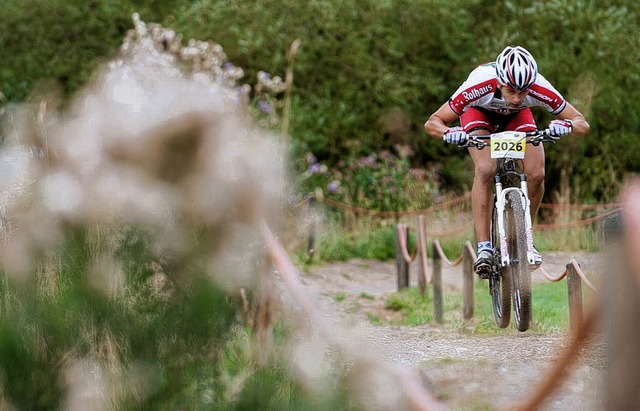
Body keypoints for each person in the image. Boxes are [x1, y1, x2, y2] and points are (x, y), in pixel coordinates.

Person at [424, 45, 590, 278]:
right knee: (485, 169)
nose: (516, 98)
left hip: (517, 119)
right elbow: (433, 122)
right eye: (511, 91)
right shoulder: (479, 83)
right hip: (478, 113)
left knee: (537, 173)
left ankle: (524, 238)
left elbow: (581, 122)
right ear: (499, 82)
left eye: (523, 92)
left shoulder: (539, 87)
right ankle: (484, 248)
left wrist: (566, 125)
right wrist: (449, 132)